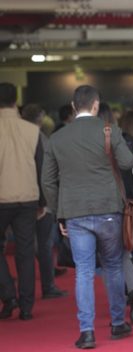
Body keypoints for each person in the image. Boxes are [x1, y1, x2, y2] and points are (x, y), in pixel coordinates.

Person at [42, 85, 133, 349]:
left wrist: (59, 212)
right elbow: (128, 163)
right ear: (96, 106)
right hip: (108, 208)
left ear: (73, 107)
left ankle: (87, 332)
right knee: (113, 266)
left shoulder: (57, 138)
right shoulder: (109, 130)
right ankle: (118, 323)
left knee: (83, 271)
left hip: (74, 211)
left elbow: (47, 181)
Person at [98, 104, 133, 324]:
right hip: (127, 202)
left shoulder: (91, 142)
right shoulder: (125, 138)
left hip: (102, 202)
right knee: (125, 253)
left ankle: (118, 305)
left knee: (106, 258)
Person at [0, 83, 44, 321]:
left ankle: (8, 295)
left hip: (2, 198)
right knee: (26, 252)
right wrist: (43, 200)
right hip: (28, 197)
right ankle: (27, 307)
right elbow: (40, 167)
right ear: (16, 100)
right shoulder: (31, 130)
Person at [20, 104, 68, 299]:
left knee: (26, 245)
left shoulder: (19, 135)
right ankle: (48, 286)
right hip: (40, 197)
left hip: (19, 195)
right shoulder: (39, 137)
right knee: (45, 243)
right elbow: (46, 170)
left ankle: (24, 292)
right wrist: (46, 201)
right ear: (40, 118)